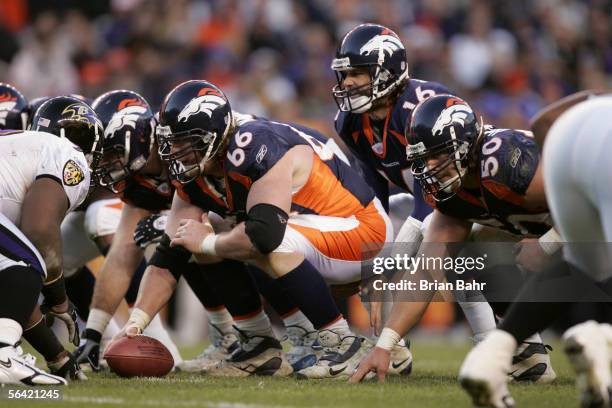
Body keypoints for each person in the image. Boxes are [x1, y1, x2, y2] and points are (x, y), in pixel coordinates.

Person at [116, 79, 395, 379]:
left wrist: (208, 243)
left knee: (253, 237)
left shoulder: (254, 143)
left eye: (188, 141)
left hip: (364, 233)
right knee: (196, 232)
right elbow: (167, 258)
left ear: (215, 135)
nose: (178, 151)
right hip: (315, 232)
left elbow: (265, 235)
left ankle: (342, 343)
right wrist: (136, 322)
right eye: (173, 142)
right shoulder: (195, 170)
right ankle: (257, 344)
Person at [351, 94, 558, 384]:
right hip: (569, 244)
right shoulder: (453, 193)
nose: (429, 167)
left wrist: (549, 244)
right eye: (423, 158)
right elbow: (426, 270)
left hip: (594, 232)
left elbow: (591, 203)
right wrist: (385, 345)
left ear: (464, 144)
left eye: (437, 154)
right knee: (462, 252)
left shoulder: (507, 160)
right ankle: (525, 352)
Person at [331, 23, 500, 349]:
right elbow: (372, 193)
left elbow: (435, 195)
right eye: (344, 73)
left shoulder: (421, 108)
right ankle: (392, 347)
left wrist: (392, 256)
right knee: (365, 249)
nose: (347, 81)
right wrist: (373, 256)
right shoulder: (351, 122)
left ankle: (500, 344)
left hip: (478, 193)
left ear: (387, 71)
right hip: (434, 199)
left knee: (443, 254)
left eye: (358, 72)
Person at [459, 93, 612, 408]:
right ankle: (601, 339)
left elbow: (542, 121)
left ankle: (494, 352)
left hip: (567, 136)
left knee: (585, 265)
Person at [0, 95, 102, 385]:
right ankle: (3, 353)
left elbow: (12, 283)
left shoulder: (21, 152)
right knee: (30, 260)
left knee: (15, 266)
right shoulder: (67, 153)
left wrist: (57, 355)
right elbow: (40, 233)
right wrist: (59, 299)